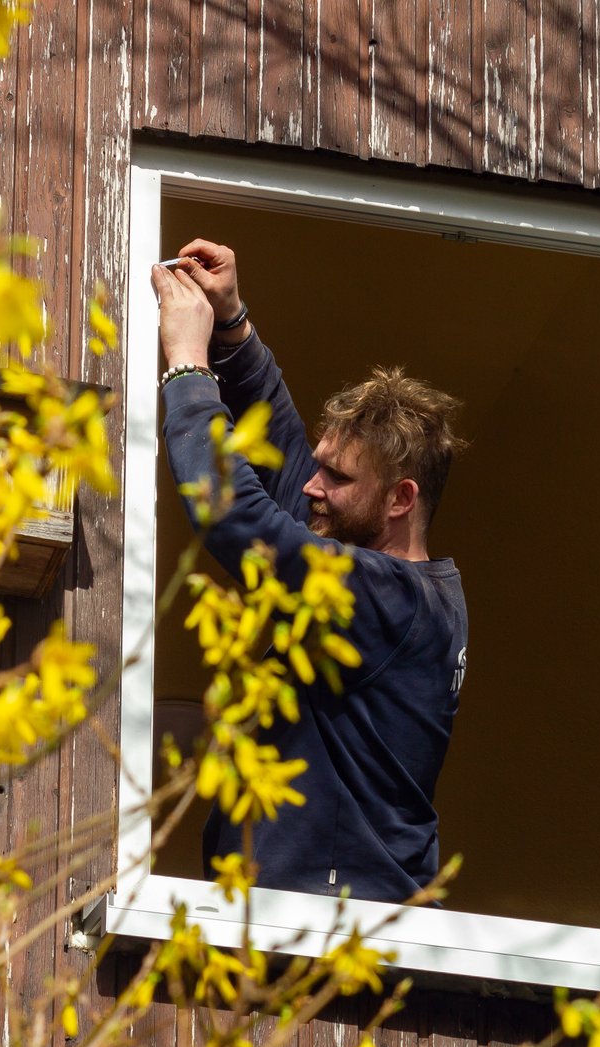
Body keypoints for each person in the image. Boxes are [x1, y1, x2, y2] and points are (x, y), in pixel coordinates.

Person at [151, 240, 468, 900]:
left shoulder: (394, 603)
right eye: (322, 467)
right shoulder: (374, 570)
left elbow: (241, 522)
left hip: (334, 929)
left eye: (338, 477)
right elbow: (287, 453)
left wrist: (187, 369)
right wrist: (233, 325)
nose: (312, 487)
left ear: (400, 500)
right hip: (302, 919)